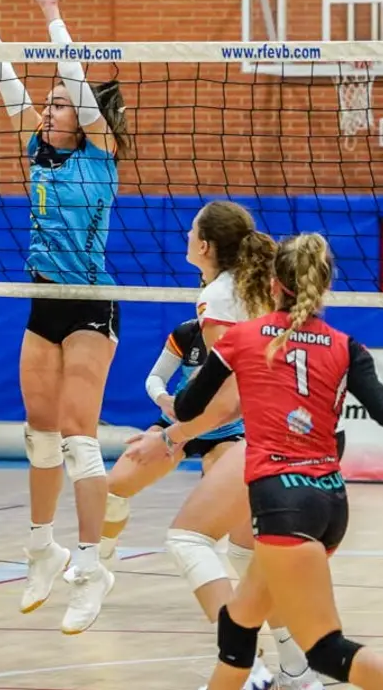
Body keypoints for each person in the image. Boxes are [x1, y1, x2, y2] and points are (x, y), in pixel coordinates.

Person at [125, 232, 383, 690]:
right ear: (322, 286)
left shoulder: (241, 338)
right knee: (238, 629)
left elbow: (189, 408)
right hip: (329, 504)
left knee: (325, 650)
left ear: (271, 284)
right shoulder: (346, 346)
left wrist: (167, 405)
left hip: (284, 506)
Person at [0, 0, 132, 634]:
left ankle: (91, 566)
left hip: (91, 302)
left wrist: (53, 14)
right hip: (42, 301)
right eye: (47, 103)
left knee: (83, 440)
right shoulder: (37, 152)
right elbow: (0, 72)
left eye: (60, 103)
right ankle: (40, 547)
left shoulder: (102, 154)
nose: (50, 109)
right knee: (42, 436)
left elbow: (82, 96)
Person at [120, 199, 324, 689]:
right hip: (298, 435)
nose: (185, 236)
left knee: (187, 539)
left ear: (206, 245)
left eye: (192, 230)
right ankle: (297, 669)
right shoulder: (262, 288)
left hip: (260, 437)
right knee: (247, 553)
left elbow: (229, 400)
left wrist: (170, 436)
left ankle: (246, 665)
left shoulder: (218, 297)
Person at [97, 317, 246, 557]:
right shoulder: (187, 333)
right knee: (112, 491)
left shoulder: (248, 334)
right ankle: (101, 561)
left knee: (226, 506)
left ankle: (224, 569)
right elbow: (155, 378)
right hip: (175, 425)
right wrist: (163, 399)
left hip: (226, 432)